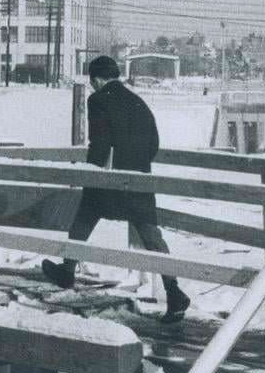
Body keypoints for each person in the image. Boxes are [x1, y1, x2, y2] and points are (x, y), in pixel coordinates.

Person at [42, 54, 191, 323]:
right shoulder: (138, 101)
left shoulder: (98, 100)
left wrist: (92, 173)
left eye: (92, 82)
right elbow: (153, 143)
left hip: (111, 181)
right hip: (139, 180)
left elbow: (100, 142)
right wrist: (136, 166)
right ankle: (174, 291)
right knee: (151, 237)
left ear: (97, 79)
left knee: (83, 218)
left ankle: (67, 270)